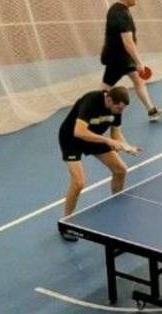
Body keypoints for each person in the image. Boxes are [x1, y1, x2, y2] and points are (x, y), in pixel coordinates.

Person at [58, 86, 139, 240]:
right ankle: (66, 224)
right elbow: (79, 132)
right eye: (118, 108)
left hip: (94, 137)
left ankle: (116, 204)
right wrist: (107, 141)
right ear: (109, 99)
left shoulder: (118, 110)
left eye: (122, 109)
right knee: (78, 182)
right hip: (71, 139)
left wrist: (126, 146)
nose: (120, 112)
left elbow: (116, 133)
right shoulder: (91, 100)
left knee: (120, 170)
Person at [100, 0, 162, 122]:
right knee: (104, 89)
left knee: (138, 81)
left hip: (123, 57)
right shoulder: (120, 13)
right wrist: (139, 62)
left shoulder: (119, 10)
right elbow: (128, 42)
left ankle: (152, 111)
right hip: (118, 60)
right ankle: (88, 116)